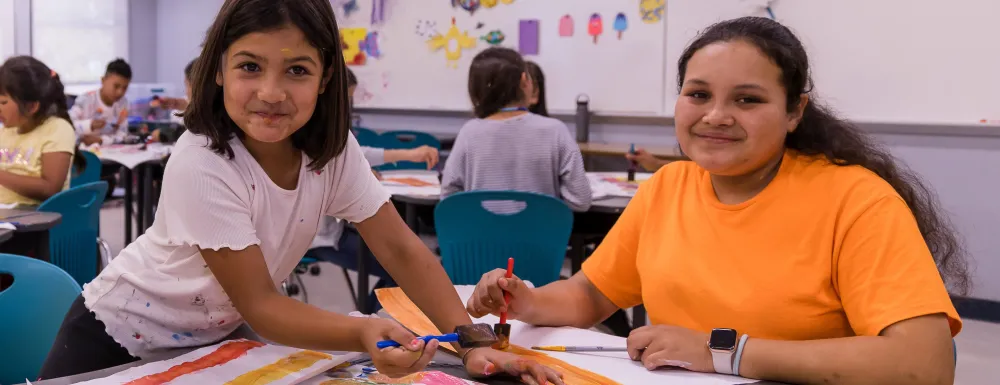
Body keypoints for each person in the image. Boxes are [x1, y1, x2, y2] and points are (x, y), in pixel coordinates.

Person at [38, 1, 561, 384]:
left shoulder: (332, 152)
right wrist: (361, 333)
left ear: (326, 77)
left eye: (296, 70)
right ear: (217, 71)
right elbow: (263, 306)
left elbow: (401, 248)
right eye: (249, 66)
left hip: (211, 339)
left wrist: (471, 343)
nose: (270, 92)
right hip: (114, 335)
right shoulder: (202, 159)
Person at [466, 17, 967, 385]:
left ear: (795, 111)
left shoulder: (856, 200)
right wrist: (527, 300)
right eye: (698, 94)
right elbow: (591, 296)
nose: (716, 116)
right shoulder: (668, 186)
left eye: (748, 100)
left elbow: (924, 364)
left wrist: (723, 351)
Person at [309, 68, 440, 312]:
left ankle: (368, 319)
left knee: (405, 267)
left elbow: (358, 153)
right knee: (404, 271)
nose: (348, 106)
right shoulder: (315, 135)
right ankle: (368, 320)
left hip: (333, 233)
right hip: (323, 239)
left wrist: (407, 155)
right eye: (346, 98)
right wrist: (357, 174)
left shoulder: (330, 132)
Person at [441, 47, 591, 211]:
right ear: (525, 80)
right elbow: (580, 200)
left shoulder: (469, 133)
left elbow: (448, 198)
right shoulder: (556, 131)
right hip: (541, 235)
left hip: (482, 235)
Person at [0, 56, 77, 206]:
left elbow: (50, 188)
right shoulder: (6, 131)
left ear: (31, 107)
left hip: (32, 219)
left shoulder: (57, 129)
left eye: (3, 102)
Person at [69, 58, 132, 146]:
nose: (120, 92)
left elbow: (122, 133)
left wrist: (101, 140)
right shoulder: (86, 99)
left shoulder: (123, 104)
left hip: (110, 152)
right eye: (116, 86)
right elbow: (67, 124)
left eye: (125, 88)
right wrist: (89, 125)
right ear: (103, 81)